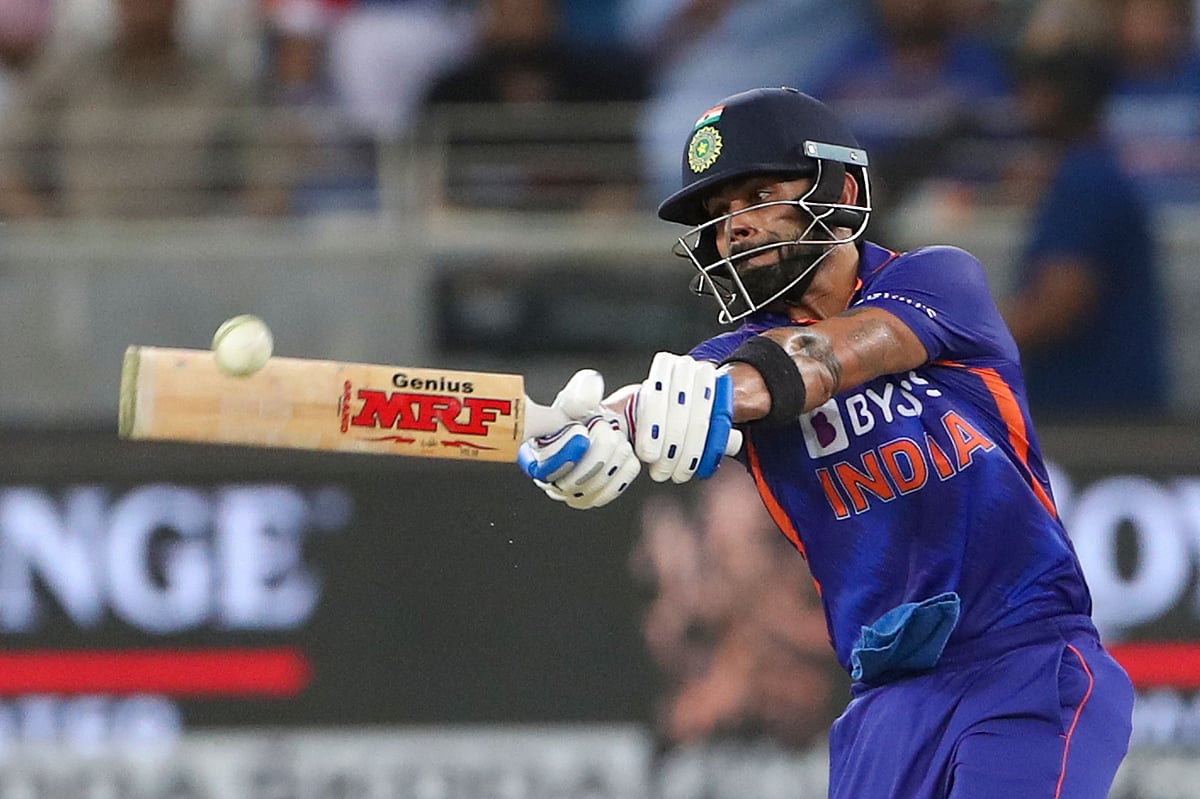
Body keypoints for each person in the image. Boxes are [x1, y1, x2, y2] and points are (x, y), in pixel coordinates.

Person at [517, 86, 1135, 798]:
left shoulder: (937, 280)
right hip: (885, 705)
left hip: (1025, 664)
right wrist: (601, 430)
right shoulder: (726, 356)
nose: (734, 230)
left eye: (756, 195)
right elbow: (687, 391)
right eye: (718, 217)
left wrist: (720, 392)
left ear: (838, 189)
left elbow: (829, 355)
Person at [1002, 45, 1169, 417]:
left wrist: (954, 336)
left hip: (1097, 413)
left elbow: (1058, 307)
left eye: (1032, 90)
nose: (1022, 102)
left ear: (1059, 97)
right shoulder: (1089, 171)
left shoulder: (1084, 182)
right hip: (1105, 404)